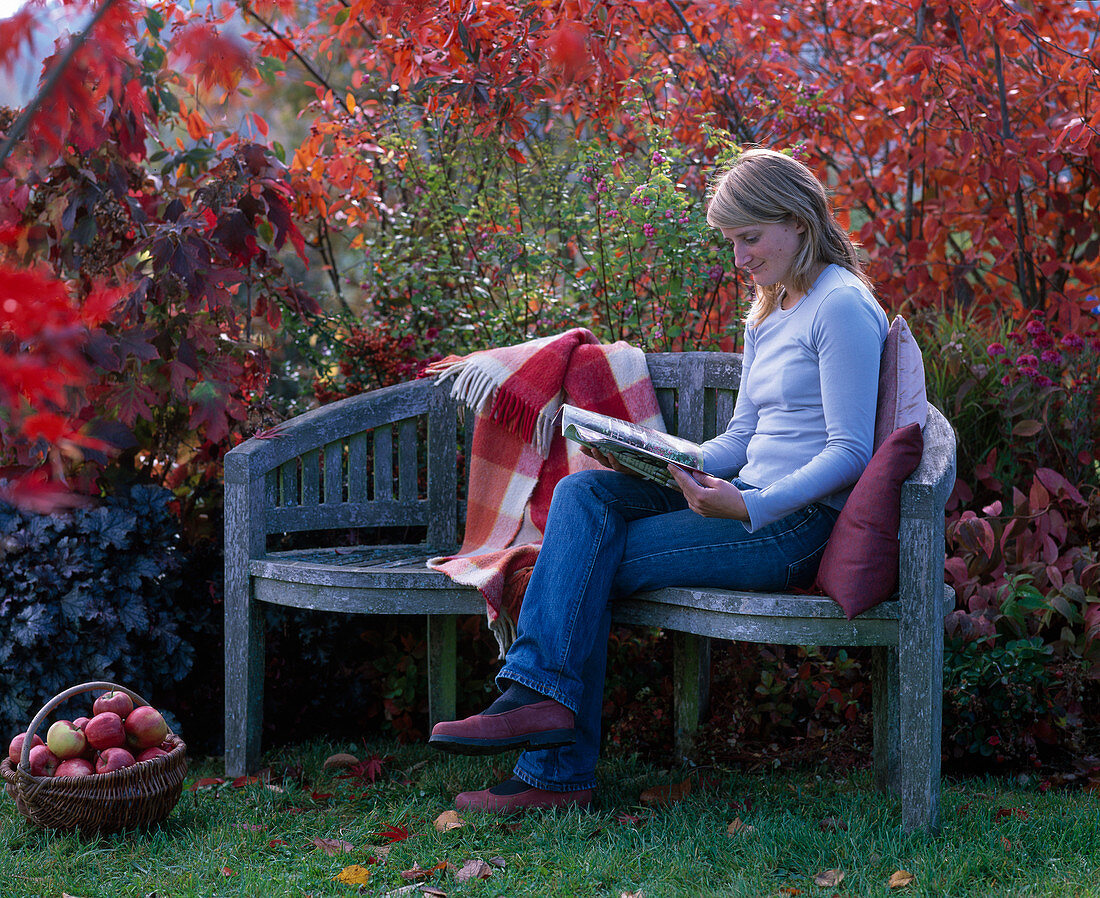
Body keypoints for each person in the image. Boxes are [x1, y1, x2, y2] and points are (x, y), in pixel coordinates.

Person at [427, 147, 890, 812]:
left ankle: (549, 760)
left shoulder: (840, 307)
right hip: (742, 498)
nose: (739, 259)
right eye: (731, 242)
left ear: (796, 220)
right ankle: (539, 710)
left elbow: (850, 452)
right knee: (582, 493)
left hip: (790, 525)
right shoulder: (772, 308)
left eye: (749, 238)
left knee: (582, 562)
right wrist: (673, 458)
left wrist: (747, 509)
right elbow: (741, 439)